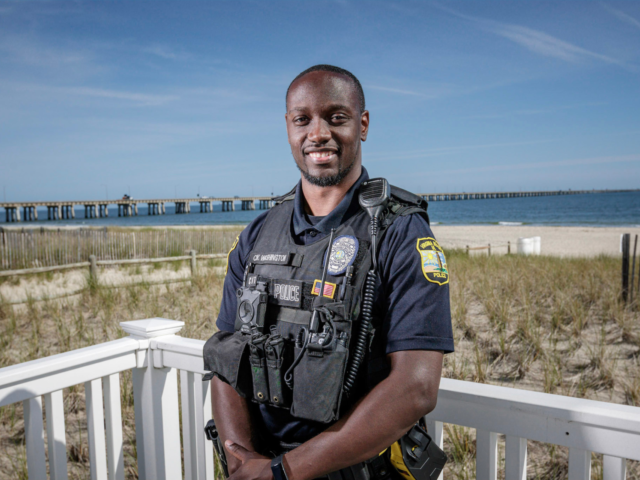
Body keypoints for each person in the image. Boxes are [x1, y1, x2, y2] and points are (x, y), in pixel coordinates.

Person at [203, 65, 454, 480]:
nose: (317, 133)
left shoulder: (400, 233)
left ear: (363, 124)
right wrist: (240, 459)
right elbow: (227, 361)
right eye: (302, 119)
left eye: (336, 117)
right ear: (288, 128)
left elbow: (417, 386)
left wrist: (283, 473)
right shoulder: (258, 235)